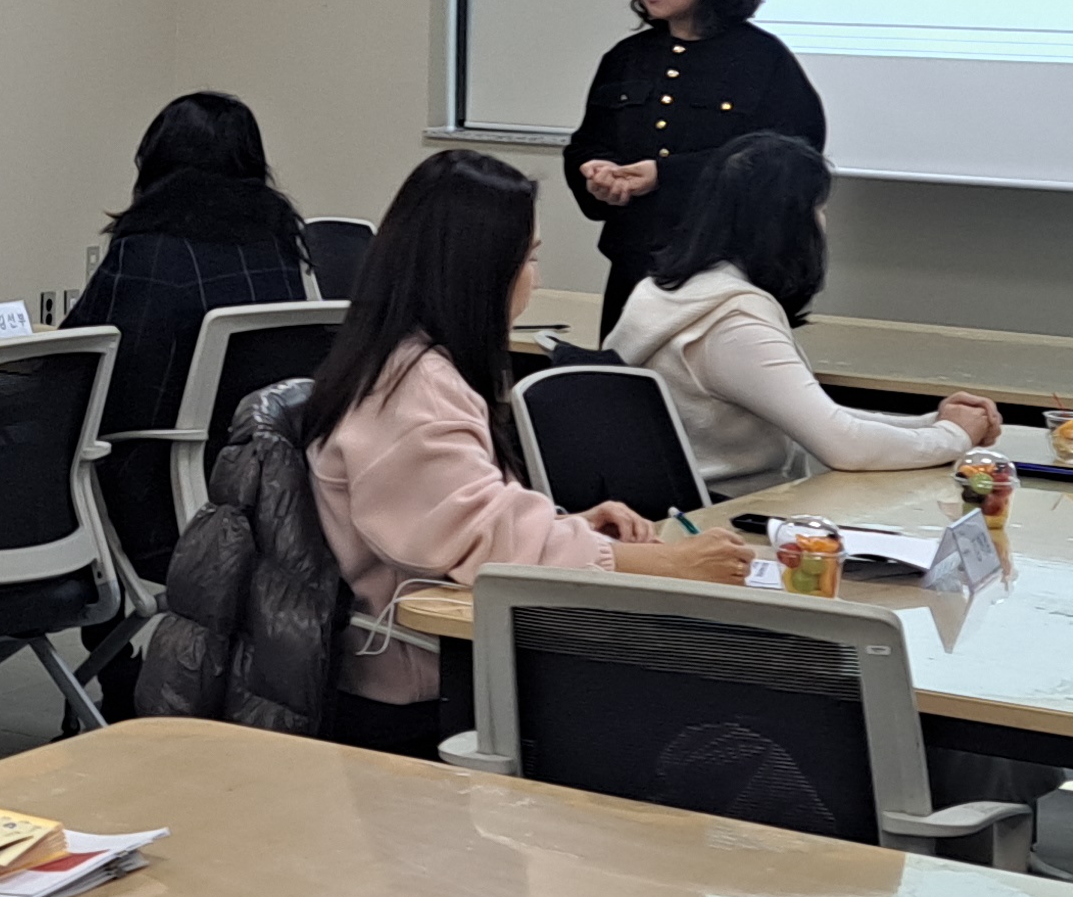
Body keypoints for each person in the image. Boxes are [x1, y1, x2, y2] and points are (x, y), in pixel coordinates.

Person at [301, 147, 753, 757]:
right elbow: (484, 541)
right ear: (481, 269)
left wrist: (572, 528)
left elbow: (468, 516)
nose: (534, 278)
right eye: (530, 258)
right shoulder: (412, 387)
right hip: (421, 690)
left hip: (446, 661)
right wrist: (670, 565)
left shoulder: (409, 361)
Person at [607, 133, 996, 495]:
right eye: (819, 208)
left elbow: (816, 418)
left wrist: (934, 423)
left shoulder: (669, 290)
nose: (823, 222)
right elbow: (844, 445)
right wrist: (954, 437)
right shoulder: (733, 323)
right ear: (787, 224)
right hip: (732, 514)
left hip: (693, 507)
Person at [61, 91, 316, 578]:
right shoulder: (279, 244)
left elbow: (81, 360)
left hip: (157, 500)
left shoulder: (148, 248)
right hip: (265, 492)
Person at [564, 0, 824, 331]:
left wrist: (666, 176)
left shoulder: (763, 61)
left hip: (727, 281)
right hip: (635, 274)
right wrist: (597, 173)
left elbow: (790, 167)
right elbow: (586, 144)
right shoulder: (626, 58)